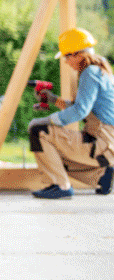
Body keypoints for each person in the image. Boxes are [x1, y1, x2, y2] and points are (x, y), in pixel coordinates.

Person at [28, 27, 114, 199]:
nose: (66, 61)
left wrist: (46, 120)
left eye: (67, 56)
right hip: (106, 145)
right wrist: (53, 99)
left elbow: (80, 111)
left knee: (38, 131)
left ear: (77, 54)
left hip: (102, 143)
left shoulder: (89, 72)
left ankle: (61, 186)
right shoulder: (98, 70)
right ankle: (103, 177)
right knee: (52, 158)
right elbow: (81, 107)